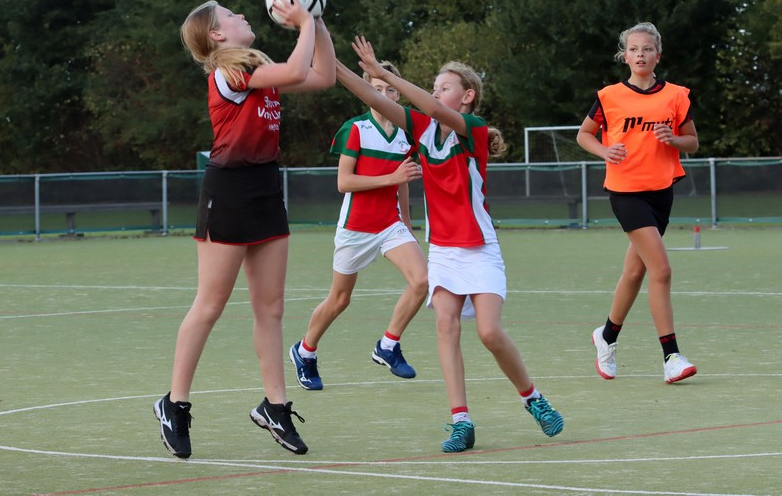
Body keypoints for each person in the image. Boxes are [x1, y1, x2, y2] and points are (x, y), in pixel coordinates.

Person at [334, 36, 564, 454]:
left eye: (444, 86)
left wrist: (385, 74)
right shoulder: (422, 131)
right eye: (434, 86)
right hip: (443, 249)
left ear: (467, 95)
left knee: (489, 332)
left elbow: (435, 109)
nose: (436, 92)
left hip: (479, 247)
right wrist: (327, 56)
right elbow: (370, 95)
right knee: (446, 326)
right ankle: (461, 421)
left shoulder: (472, 131)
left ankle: (533, 398)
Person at [154, 0, 335, 459]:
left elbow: (323, 76)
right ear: (217, 34)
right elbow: (298, 68)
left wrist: (316, 21)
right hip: (229, 191)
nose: (241, 15)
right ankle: (174, 404)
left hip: (265, 188)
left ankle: (275, 406)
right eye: (231, 15)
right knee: (210, 304)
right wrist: (303, 24)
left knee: (271, 308)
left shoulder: (260, 70)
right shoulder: (228, 72)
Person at [290, 61, 428, 391]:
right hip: (355, 228)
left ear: (398, 93)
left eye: (390, 89)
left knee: (422, 280)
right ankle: (305, 351)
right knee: (339, 300)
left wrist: (407, 224)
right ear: (366, 92)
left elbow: (403, 181)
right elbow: (344, 182)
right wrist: (391, 178)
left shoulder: (405, 134)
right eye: (377, 89)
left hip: (390, 225)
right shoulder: (356, 129)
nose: (385, 94)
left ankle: (388, 345)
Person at [576, 22, 699, 384]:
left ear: (658, 55)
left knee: (635, 272)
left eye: (647, 49)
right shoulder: (609, 96)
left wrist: (673, 139)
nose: (640, 54)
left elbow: (692, 142)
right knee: (661, 270)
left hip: (661, 191)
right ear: (625, 56)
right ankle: (671, 355)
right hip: (625, 190)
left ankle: (607, 335)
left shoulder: (676, 96)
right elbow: (584, 134)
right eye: (633, 49)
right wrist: (604, 151)